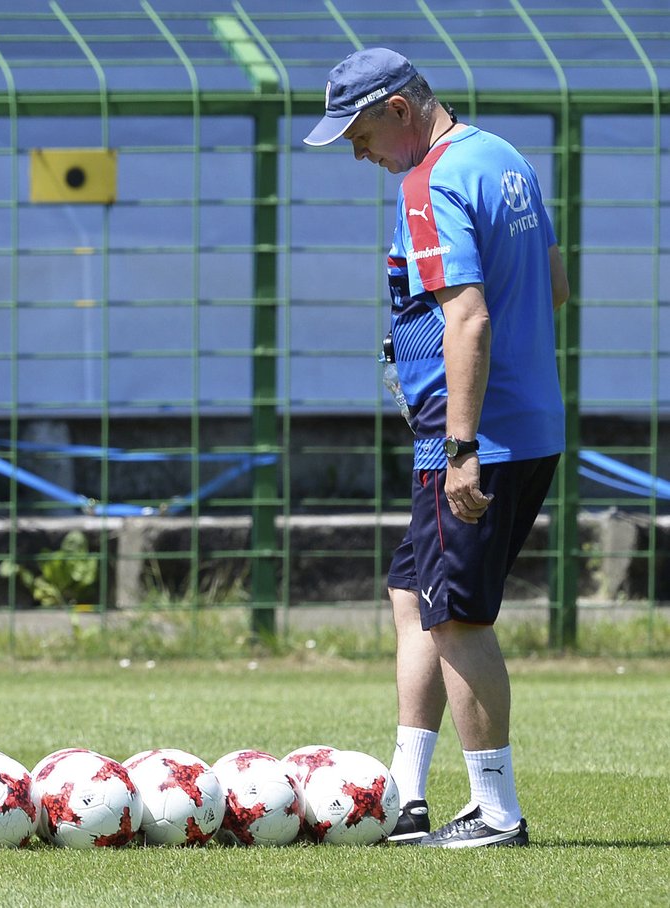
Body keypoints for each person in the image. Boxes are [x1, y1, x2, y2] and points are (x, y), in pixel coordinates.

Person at [304, 48, 569, 848]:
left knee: (456, 618)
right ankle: (406, 792)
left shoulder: (429, 183)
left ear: (397, 110)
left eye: (357, 132)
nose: (357, 151)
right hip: (522, 424)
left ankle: (497, 810)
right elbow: (555, 285)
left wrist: (460, 446)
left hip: (473, 437)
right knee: (413, 591)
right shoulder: (502, 158)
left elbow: (469, 317)